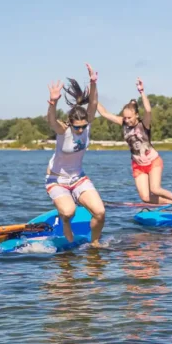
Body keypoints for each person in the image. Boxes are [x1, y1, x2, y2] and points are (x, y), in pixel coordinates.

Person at [97, 77, 172, 214]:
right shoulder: (123, 124)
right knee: (145, 197)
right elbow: (104, 113)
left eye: (129, 118)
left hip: (153, 160)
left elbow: (148, 110)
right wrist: (92, 96)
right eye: (125, 118)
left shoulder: (144, 124)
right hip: (138, 165)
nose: (127, 120)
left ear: (136, 115)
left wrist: (142, 92)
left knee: (155, 189)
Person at [44, 64, 106, 245]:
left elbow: (93, 103)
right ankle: (65, 222)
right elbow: (51, 120)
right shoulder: (63, 130)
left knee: (100, 212)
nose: (80, 130)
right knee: (69, 212)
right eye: (77, 127)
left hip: (78, 178)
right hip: (56, 180)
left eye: (83, 126)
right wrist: (53, 103)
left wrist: (93, 83)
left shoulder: (87, 124)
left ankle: (94, 244)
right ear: (70, 124)